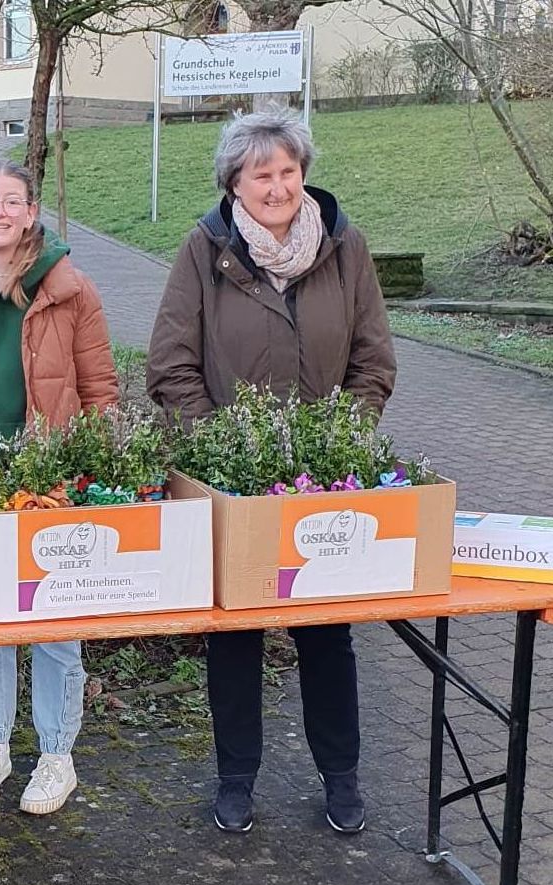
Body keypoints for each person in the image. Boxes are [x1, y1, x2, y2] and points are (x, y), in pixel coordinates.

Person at [146, 110, 397, 835]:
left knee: (327, 632)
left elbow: (373, 360)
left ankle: (341, 779)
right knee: (234, 631)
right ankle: (235, 781)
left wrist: (340, 437)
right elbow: (170, 364)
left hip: (324, 477)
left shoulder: (344, 248)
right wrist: (227, 449)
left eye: (287, 171)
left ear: (302, 175)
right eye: (262, 173)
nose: (278, 185)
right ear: (235, 182)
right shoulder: (204, 249)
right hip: (232, 480)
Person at [0, 160, 118, 815]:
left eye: (11, 201)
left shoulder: (71, 290)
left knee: (53, 622)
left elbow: (99, 387)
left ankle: (55, 754)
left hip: (50, 480)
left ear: (31, 211)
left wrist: (95, 464)